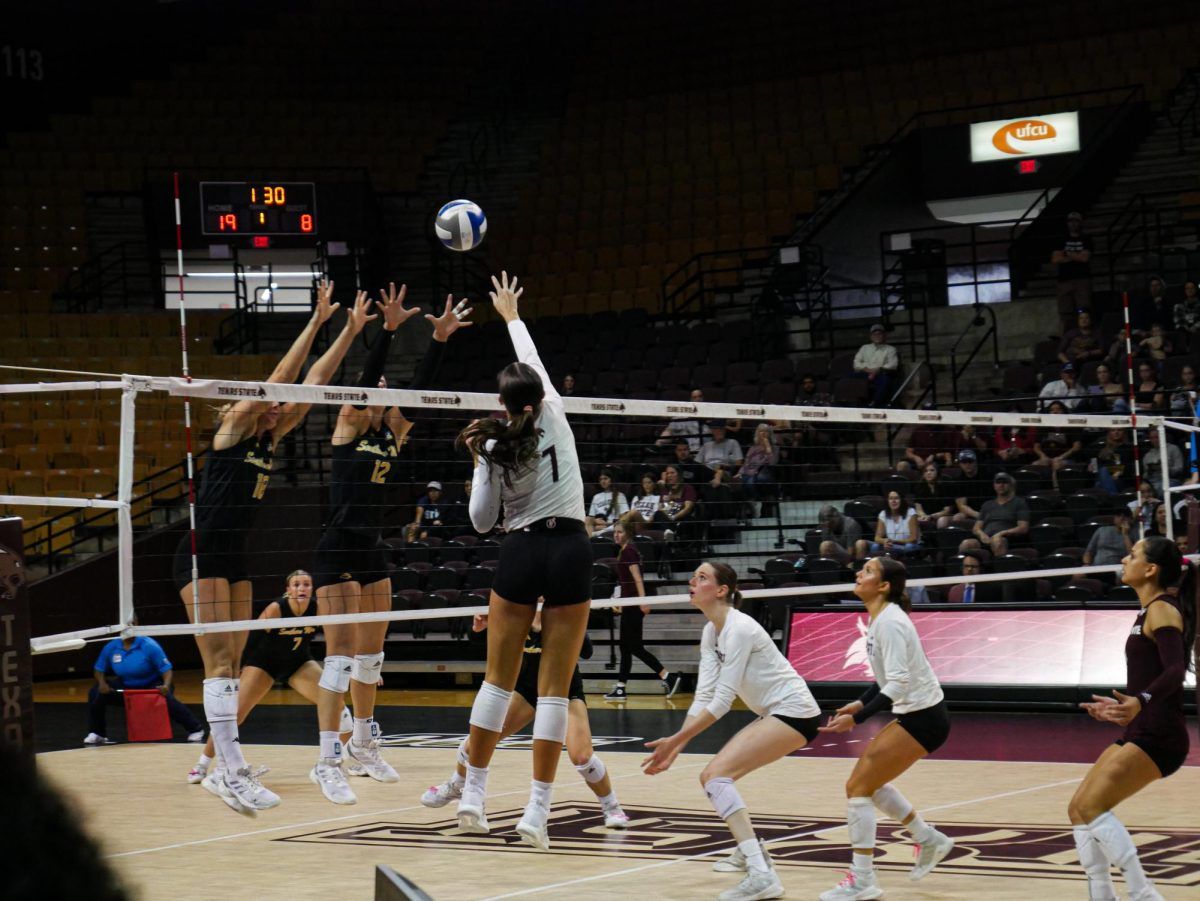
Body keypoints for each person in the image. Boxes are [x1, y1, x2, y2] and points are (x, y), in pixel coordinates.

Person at [171, 281, 368, 813]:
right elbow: (281, 379)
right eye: (272, 402)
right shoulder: (233, 430)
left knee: (232, 670)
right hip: (202, 553)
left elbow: (313, 383)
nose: (281, 406)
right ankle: (230, 772)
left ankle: (222, 770)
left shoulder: (270, 439)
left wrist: (347, 330)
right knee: (218, 667)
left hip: (234, 558)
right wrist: (313, 321)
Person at [312, 285, 471, 804]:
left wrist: (441, 338)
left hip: (370, 545)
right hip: (335, 545)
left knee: (371, 656)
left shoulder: (393, 433)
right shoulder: (349, 426)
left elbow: (421, 390)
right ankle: (326, 760)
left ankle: (362, 743)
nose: (379, 390)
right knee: (338, 658)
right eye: (374, 387)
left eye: (384, 386)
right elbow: (362, 384)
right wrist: (391, 328)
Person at [454, 272, 591, 851]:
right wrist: (511, 315)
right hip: (570, 550)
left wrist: (482, 465)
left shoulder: (492, 444)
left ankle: (473, 797)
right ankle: (536, 813)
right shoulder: (554, 413)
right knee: (554, 692)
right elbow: (531, 360)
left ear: (505, 405)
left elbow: (481, 523)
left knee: (496, 682)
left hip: (522, 549)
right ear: (538, 399)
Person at [643, 562, 821, 901]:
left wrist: (678, 740)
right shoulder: (712, 631)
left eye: (702, 577)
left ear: (722, 590)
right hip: (776, 713)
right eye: (693, 575)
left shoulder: (739, 627)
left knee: (715, 777)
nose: (692, 581)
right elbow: (704, 695)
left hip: (795, 712)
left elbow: (723, 701)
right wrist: (677, 745)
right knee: (717, 777)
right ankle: (750, 850)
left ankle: (760, 872)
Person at [817, 557, 954, 900]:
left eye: (867, 571)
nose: (858, 574)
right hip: (920, 715)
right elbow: (883, 681)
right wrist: (859, 705)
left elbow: (899, 681)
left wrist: (858, 718)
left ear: (883, 586)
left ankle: (863, 880)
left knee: (857, 787)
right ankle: (928, 838)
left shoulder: (890, 622)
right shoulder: (881, 619)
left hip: (924, 718)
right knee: (869, 785)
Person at [421, 608, 631, 830]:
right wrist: (479, 629)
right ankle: (456, 784)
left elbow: (587, 651)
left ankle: (612, 807)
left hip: (564, 690)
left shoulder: (561, 610)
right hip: (527, 689)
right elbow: (480, 642)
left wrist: (547, 624)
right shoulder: (518, 608)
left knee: (582, 758)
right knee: (477, 744)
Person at [1070, 537, 1194, 901]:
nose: (1124, 559)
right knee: (1078, 810)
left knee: (1091, 807)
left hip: (1161, 735)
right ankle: (1103, 895)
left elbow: (1176, 671)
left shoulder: (1162, 609)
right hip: (1143, 727)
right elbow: (1149, 679)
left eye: (1133, 555)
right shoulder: (1146, 611)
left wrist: (1140, 700)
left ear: (1151, 569)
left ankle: (1142, 894)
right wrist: (1118, 708)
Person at [187, 570, 354, 785]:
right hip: (264, 664)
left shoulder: (318, 608)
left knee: (337, 705)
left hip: (298, 664)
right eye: (296, 585)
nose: (301, 588)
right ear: (288, 589)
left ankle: (338, 762)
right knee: (234, 715)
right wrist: (239, 666)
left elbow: (342, 637)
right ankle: (202, 763)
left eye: (306, 584)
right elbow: (251, 637)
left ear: (312, 588)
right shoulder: (277, 609)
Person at [85, 630, 204, 746]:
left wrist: (166, 685)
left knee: (166, 700)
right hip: (126, 686)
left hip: (152, 684)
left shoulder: (149, 645)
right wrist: (102, 683)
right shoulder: (111, 646)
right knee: (95, 692)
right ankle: (97, 733)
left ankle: (195, 729)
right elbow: (99, 669)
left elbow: (166, 670)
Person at [603, 521, 680, 701]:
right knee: (625, 647)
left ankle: (668, 676)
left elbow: (637, 578)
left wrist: (642, 601)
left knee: (634, 647)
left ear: (628, 534)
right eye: (614, 532)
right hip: (629, 603)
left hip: (634, 605)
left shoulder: (629, 551)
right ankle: (621, 688)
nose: (616, 535)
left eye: (620, 532)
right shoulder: (625, 550)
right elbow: (626, 582)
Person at [961, 472, 1030, 557]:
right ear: (994, 485)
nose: (1001, 485)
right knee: (967, 544)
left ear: (1010, 485)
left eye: (1004, 482)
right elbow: (976, 528)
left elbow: (1023, 528)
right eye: (998, 482)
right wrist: (982, 535)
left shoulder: (1019, 503)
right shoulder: (987, 504)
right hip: (986, 539)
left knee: (998, 541)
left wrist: (1001, 533)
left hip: (1007, 539)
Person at [1052, 211, 1092, 333]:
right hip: (1064, 280)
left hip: (1082, 278)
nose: (1073, 224)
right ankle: (1065, 334)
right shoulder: (1061, 239)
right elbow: (1055, 259)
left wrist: (1067, 254)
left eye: (1076, 221)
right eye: (1071, 221)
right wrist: (1076, 256)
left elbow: (1084, 258)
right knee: (1065, 311)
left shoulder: (1086, 239)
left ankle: (1085, 332)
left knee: (1084, 308)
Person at [855, 489, 920, 560]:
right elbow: (877, 538)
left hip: (907, 546)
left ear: (901, 500)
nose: (893, 501)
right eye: (891, 499)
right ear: (887, 501)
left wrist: (894, 541)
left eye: (896, 498)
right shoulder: (883, 514)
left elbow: (913, 539)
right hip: (891, 545)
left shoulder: (911, 512)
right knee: (875, 547)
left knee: (909, 547)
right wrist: (884, 541)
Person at [734, 423, 779, 516]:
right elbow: (746, 462)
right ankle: (750, 504)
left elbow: (772, 462)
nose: (763, 433)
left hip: (764, 472)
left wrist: (767, 446)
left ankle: (755, 503)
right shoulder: (753, 448)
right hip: (750, 471)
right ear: (757, 433)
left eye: (766, 431)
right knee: (741, 482)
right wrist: (739, 473)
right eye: (761, 431)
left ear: (769, 434)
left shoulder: (774, 447)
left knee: (751, 481)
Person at [852, 323, 899, 407]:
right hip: (864, 372)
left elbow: (892, 365)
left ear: (884, 336)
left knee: (886, 381)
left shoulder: (891, 349)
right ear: (871, 336)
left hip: (880, 373)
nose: (877, 336)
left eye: (879, 334)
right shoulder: (864, 348)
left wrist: (877, 370)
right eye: (875, 334)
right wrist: (868, 370)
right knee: (846, 377)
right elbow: (856, 363)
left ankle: (875, 404)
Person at [944, 449, 993, 529]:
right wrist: (979, 515)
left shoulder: (987, 477)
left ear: (975, 462)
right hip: (972, 514)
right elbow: (962, 506)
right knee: (957, 518)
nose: (967, 464)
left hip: (988, 511)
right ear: (960, 464)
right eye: (964, 462)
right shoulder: (958, 481)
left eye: (970, 461)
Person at [657, 387, 710, 453]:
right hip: (690, 454)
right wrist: (658, 444)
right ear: (691, 400)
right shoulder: (682, 416)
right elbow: (669, 431)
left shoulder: (711, 414)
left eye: (700, 396)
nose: (698, 399)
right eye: (694, 397)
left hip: (707, 453)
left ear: (703, 398)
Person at [585, 469, 629, 537]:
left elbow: (624, 517)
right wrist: (595, 521)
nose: (603, 481)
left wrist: (608, 524)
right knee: (587, 519)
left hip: (613, 526)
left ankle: (598, 534)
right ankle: (591, 540)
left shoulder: (620, 495)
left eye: (605, 478)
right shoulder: (596, 497)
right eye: (601, 479)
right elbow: (591, 518)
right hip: (598, 527)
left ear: (611, 480)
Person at [912, 462, 954, 529]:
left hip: (942, 516)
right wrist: (923, 516)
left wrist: (931, 516)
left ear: (937, 472)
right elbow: (918, 508)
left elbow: (947, 510)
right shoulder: (919, 487)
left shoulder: (945, 486)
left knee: (941, 521)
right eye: (926, 471)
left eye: (932, 470)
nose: (928, 473)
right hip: (926, 516)